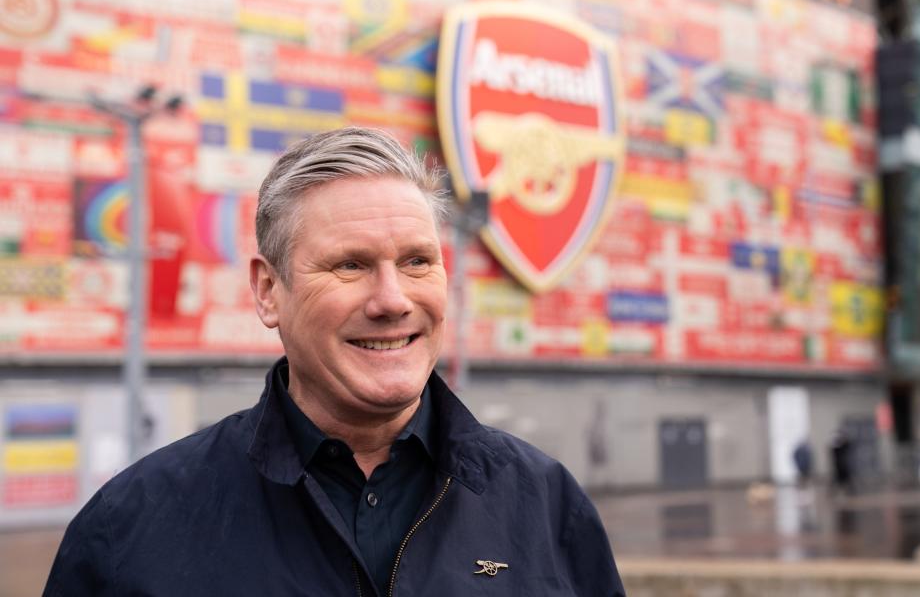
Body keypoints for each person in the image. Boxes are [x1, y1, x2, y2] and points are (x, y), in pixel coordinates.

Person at [44, 127, 625, 596]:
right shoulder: (130, 528)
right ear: (269, 291)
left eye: (418, 261)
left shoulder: (547, 505)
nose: (393, 300)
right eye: (349, 265)